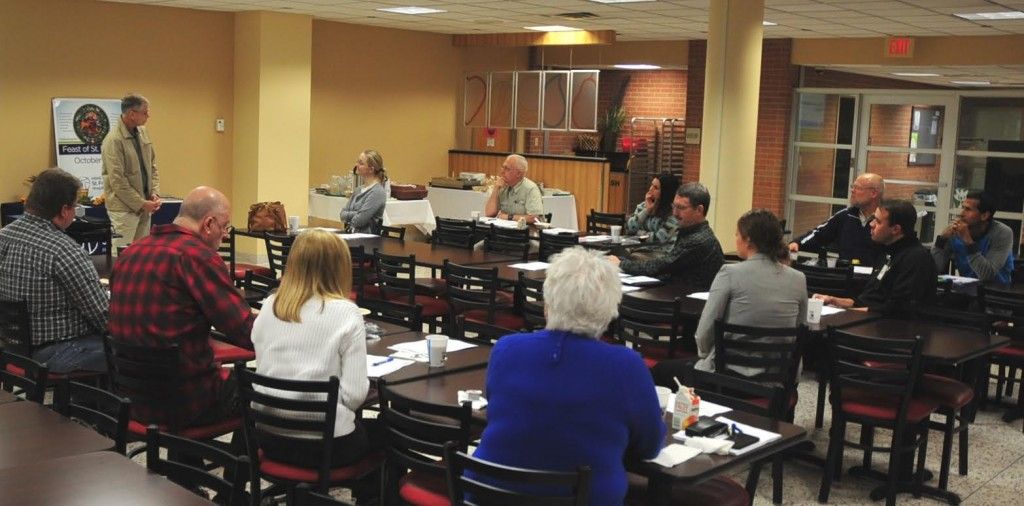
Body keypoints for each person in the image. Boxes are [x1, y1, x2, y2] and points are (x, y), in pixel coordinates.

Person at [471, 246, 665, 505]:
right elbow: (649, 446)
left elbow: (498, 412)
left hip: (489, 497)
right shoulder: (626, 366)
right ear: (610, 311)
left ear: (547, 304)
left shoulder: (507, 348)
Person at [109, 186, 254, 427]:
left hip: (131, 398)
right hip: (186, 402)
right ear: (208, 224)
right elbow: (244, 329)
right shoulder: (198, 257)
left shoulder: (130, 253)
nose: (225, 235)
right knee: (261, 391)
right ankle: (235, 464)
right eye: (224, 227)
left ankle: (189, 460)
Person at [651, 209, 807, 388]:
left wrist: (707, 357)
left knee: (660, 371)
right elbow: (799, 330)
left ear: (748, 240)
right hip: (776, 380)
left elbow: (703, 334)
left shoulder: (730, 273)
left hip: (727, 378)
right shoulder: (798, 279)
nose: (736, 239)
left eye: (736, 235)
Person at [0, 168, 107, 373]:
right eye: (76, 206)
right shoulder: (63, 250)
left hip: (12, 347)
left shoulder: (4, 235)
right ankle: (93, 405)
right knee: (130, 352)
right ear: (64, 210)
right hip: (55, 353)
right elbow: (102, 316)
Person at [814, 199, 936, 315]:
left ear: (895, 229)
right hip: (870, 322)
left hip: (891, 331)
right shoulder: (887, 253)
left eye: (878, 221)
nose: (871, 224)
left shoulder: (915, 258)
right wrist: (833, 300)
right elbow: (867, 301)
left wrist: (849, 312)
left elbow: (898, 309)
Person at [609, 182, 724, 289]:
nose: (674, 213)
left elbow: (662, 266)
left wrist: (621, 264)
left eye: (681, 208)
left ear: (699, 210)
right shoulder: (690, 232)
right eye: (674, 206)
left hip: (687, 304)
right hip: (676, 294)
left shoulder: (699, 240)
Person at [102, 93, 161, 253]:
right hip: (124, 210)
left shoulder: (143, 132)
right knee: (122, 255)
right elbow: (117, 181)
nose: (148, 116)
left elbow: (152, 166)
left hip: (145, 206)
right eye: (145, 112)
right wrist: (141, 203)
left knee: (141, 256)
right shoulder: (113, 140)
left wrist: (154, 193)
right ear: (132, 114)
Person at [789, 173, 885, 267]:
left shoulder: (887, 219)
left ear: (873, 193)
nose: (852, 190)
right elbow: (819, 234)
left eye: (858, 188)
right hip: (846, 275)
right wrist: (797, 243)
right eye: (853, 187)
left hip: (876, 279)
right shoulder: (845, 215)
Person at [931, 191, 1015, 284]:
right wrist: (941, 240)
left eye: (968, 209)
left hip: (996, 292)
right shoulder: (956, 233)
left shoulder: (1002, 233)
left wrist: (968, 241)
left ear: (984, 215)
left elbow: (987, 274)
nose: (961, 214)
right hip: (966, 290)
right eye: (963, 208)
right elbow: (933, 269)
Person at [484, 154, 544, 224]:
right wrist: (496, 188)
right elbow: (489, 213)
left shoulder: (531, 189)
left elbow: (534, 218)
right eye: (503, 167)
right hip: (506, 231)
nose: (502, 172)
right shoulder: (503, 187)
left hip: (526, 231)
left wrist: (509, 217)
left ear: (518, 173)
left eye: (507, 169)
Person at [340, 149, 387, 234]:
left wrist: (352, 215)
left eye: (361, 163)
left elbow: (360, 220)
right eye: (357, 162)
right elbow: (342, 215)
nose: (356, 165)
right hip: (351, 234)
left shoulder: (377, 192)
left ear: (371, 169)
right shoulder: (358, 190)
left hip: (367, 240)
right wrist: (357, 213)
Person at [625, 174, 680, 245]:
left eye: (656, 188)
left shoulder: (674, 212)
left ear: (665, 192)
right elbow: (629, 229)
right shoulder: (643, 206)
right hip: (636, 249)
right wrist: (646, 210)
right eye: (651, 185)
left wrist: (637, 233)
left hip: (657, 253)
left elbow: (658, 239)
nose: (650, 189)